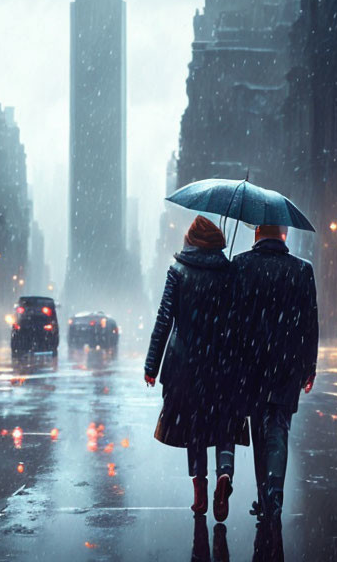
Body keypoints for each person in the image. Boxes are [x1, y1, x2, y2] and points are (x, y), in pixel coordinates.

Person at [145, 215, 249, 521]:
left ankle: (200, 491)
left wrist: (152, 365)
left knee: (195, 430)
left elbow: (164, 319)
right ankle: (224, 476)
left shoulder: (178, 271)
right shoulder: (230, 272)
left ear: (191, 241)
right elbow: (239, 322)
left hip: (185, 366)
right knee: (225, 423)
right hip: (224, 364)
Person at [232, 224, 318, 540]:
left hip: (250, 364)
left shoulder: (240, 266)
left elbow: (232, 318)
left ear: (257, 233)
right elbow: (311, 322)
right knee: (278, 427)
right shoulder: (301, 270)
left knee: (258, 428)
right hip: (287, 364)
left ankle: (264, 494)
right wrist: (309, 366)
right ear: (284, 234)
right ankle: (274, 495)